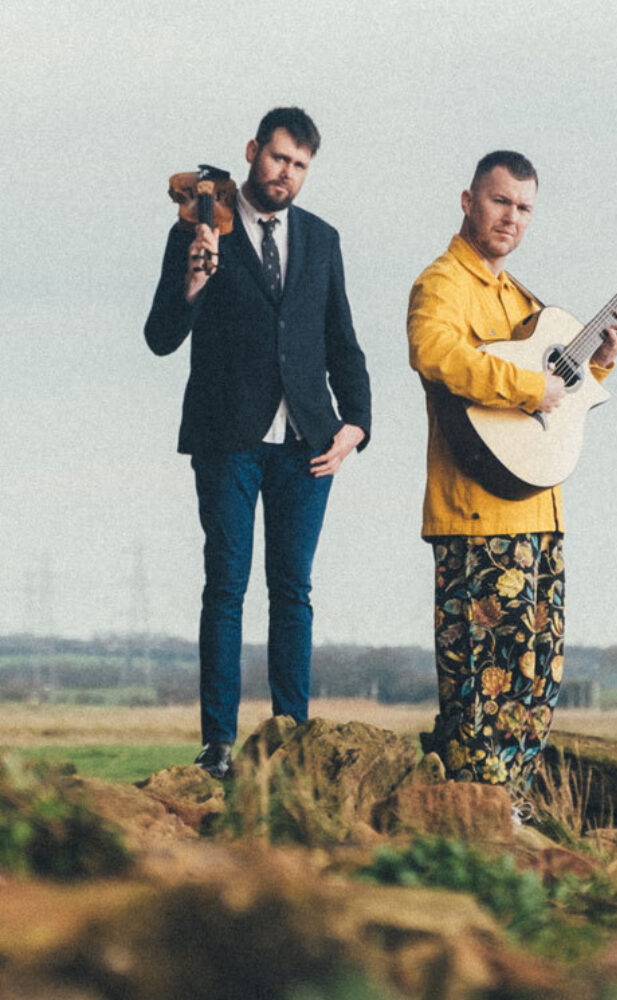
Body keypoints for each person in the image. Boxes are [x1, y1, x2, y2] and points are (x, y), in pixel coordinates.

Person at [145, 108, 371, 779]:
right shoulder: (197, 227)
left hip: (308, 443)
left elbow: (342, 341)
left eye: (299, 165)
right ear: (252, 151)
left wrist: (357, 424)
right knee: (226, 585)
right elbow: (160, 336)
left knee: (293, 591)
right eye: (278, 158)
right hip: (227, 438)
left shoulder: (322, 239)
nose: (286, 174)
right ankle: (218, 744)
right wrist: (194, 280)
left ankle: (290, 740)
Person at [407, 150, 617, 791]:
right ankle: (470, 814)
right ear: (468, 201)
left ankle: (514, 807)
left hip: (539, 512)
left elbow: (560, 392)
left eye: (525, 207)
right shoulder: (440, 284)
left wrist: (601, 360)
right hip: (476, 513)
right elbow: (433, 351)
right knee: (482, 687)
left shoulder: (522, 297)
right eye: (500, 201)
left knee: (535, 680)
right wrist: (527, 387)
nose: (512, 217)